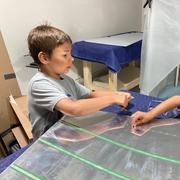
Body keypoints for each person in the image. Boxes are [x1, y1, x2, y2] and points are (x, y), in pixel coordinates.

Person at [27, 24, 133, 140]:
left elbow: (90, 94)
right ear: (44, 58)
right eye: (65, 54)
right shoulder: (39, 84)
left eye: (70, 54)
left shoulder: (65, 79)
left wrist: (117, 94)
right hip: (48, 142)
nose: (71, 59)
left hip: (67, 132)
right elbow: (73, 109)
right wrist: (111, 99)